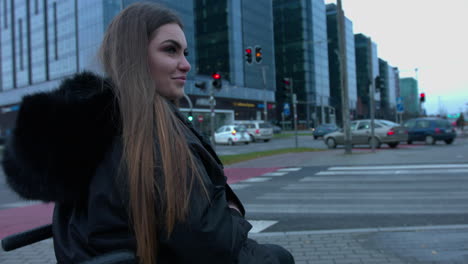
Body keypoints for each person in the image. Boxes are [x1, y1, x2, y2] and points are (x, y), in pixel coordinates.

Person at [2, 2, 294, 264]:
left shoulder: (91, 132)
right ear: (135, 56)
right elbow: (213, 245)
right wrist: (232, 213)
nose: (186, 64)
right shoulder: (156, 136)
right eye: (170, 50)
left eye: (185, 52)